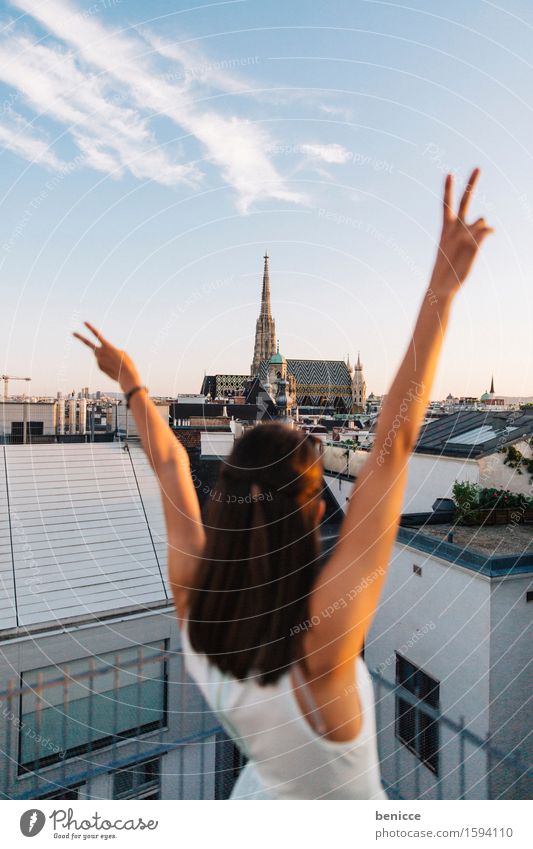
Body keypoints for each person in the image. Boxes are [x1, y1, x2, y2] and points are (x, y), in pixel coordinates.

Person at [75, 170, 492, 799]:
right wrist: (441, 288)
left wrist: (131, 382)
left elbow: (167, 464)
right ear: (308, 509)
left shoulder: (200, 615)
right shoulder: (320, 648)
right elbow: (393, 448)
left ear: (226, 499)